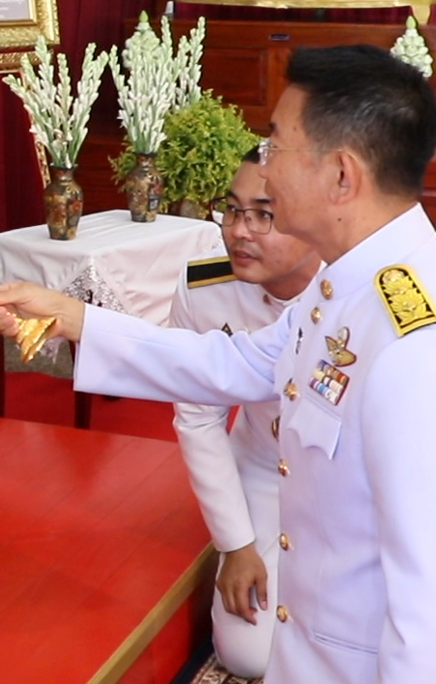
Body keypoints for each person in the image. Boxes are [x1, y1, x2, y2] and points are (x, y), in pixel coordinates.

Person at [0, 45, 436, 684]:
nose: (264, 168)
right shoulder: (348, 281)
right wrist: (72, 317)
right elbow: (235, 362)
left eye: (276, 148)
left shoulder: (422, 347)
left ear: (342, 176)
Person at [83, 153, 322, 679]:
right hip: (264, 469)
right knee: (248, 655)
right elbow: (198, 418)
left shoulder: (352, 289)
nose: (239, 232)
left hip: (344, 485)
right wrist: (235, 544)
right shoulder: (205, 287)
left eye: (263, 214)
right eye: (231, 211)